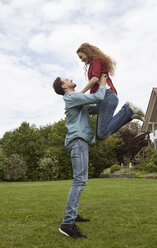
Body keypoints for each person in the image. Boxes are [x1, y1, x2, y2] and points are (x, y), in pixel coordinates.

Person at [52, 74, 108, 238]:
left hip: (79, 141)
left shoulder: (74, 99)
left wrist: (105, 96)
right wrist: (102, 83)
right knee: (80, 180)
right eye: (66, 80)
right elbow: (97, 97)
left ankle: (73, 215)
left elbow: (96, 105)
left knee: (80, 180)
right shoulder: (70, 96)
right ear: (64, 86)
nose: (69, 79)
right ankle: (67, 224)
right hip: (77, 141)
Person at [76, 42, 144, 140]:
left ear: (87, 52)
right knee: (99, 136)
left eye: (81, 56)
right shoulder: (92, 64)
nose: (81, 60)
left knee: (102, 133)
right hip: (102, 100)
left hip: (107, 97)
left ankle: (128, 109)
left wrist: (80, 93)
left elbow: (95, 79)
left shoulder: (96, 60)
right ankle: (130, 115)